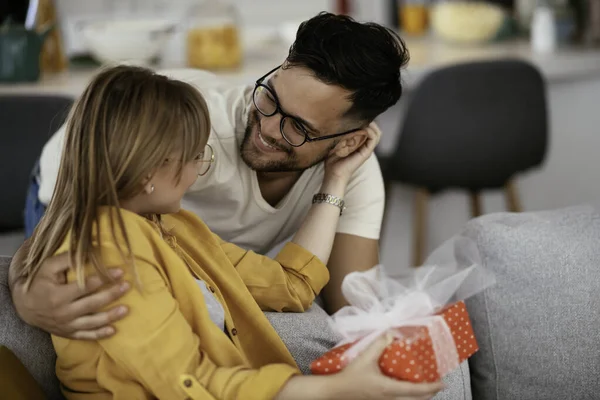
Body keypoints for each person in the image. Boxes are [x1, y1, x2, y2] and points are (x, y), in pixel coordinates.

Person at [14, 65, 443, 400]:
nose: (200, 169)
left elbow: (292, 287)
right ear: (150, 171)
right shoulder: (112, 250)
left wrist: (334, 180)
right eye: (195, 156)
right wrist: (335, 390)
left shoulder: (174, 228)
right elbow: (188, 384)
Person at [9, 12, 410, 340]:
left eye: (298, 128)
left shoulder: (350, 171)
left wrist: (334, 183)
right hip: (71, 180)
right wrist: (22, 285)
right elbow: (71, 221)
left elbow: (354, 308)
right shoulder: (192, 133)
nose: (269, 128)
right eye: (270, 97)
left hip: (190, 250)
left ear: (347, 142)